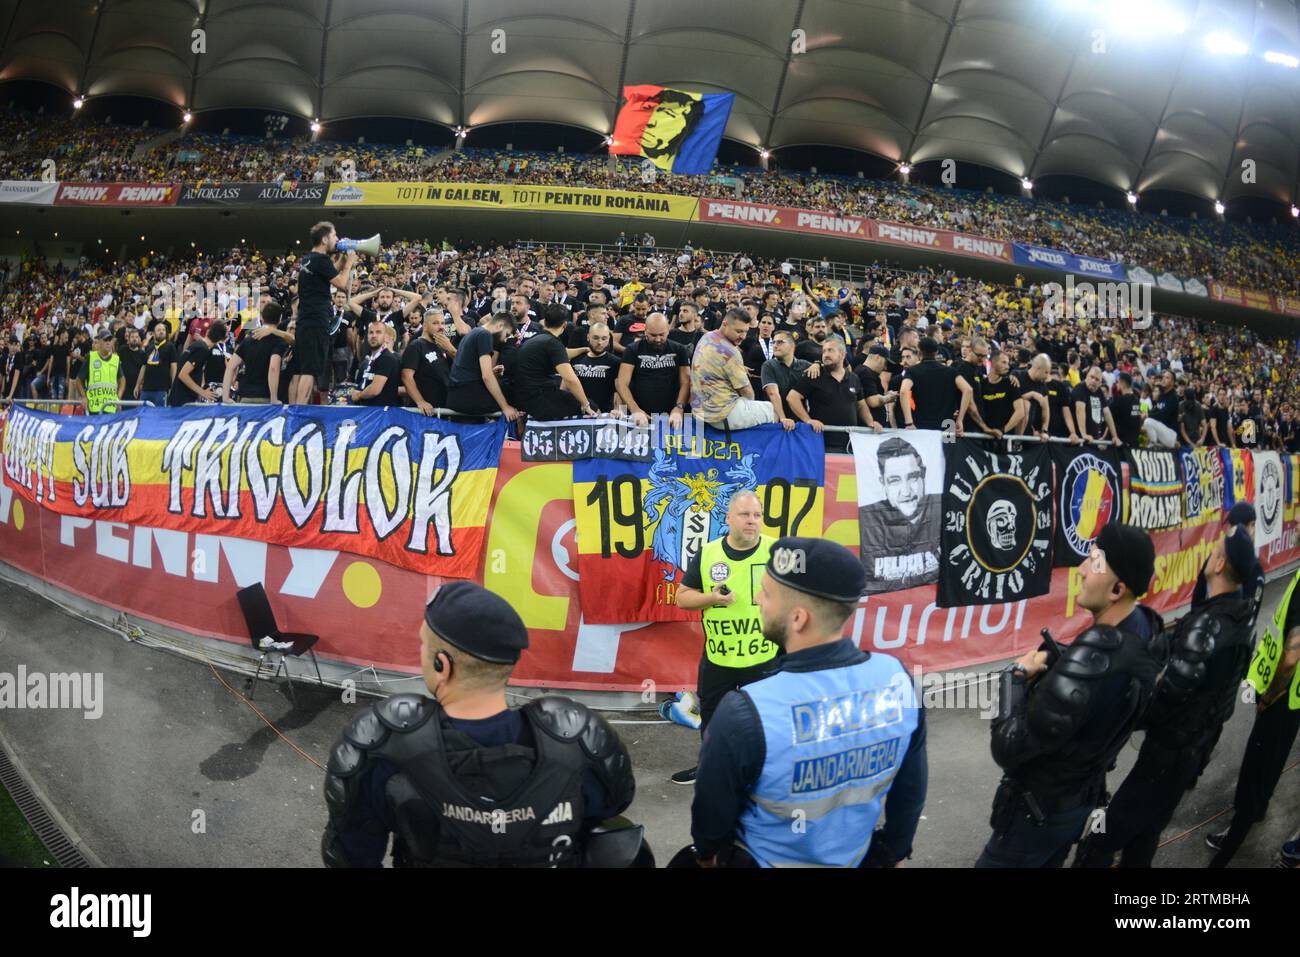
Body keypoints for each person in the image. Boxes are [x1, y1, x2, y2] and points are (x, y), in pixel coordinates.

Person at [321, 581, 647, 868]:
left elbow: (351, 854)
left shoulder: (384, 752)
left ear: (442, 665)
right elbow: (611, 808)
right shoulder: (578, 746)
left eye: (424, 645)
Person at [684, 536, 927, 867]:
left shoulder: (746, 712)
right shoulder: (898, 680)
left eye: (766, 593)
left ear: (798, 618)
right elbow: (910, 790)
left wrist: (706, 856)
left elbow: (711, 819)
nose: (757, 598)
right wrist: (895, 852)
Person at [977, 524, 1163, 868]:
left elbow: (1008, 747)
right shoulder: (1144, 632)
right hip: (1078, 803)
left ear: (1117, 589)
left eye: (1093, 562)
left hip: (1036, 817)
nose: (1080, 569)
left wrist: (1013, 677)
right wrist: (1064, 659)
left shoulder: (1090, 665)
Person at [1073, 525, 1257, 867]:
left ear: (1218, 564)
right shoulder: (1243, 619)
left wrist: (1121, 715)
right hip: (1194, 751)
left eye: (1214, 550)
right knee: (1146, 833)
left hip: (1167, 755)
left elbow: (1166, 697)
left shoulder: (1208, 626)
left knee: (1101, 837)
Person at [669, 492, 778, 786]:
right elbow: (682, 598)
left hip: (763, 658)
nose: (752, 521)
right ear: (728, 518)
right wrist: (712, 597)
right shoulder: (708, 553)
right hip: (719, 658)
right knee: (714, 722)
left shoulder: (777, 552)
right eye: (745, 515)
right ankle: (710, 769)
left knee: (763, 723)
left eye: (757, 515)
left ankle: (761, 777)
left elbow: (802, 598)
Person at [1208, 560, 1300, 866]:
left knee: (1256, 771)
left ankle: (1231, 845)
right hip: (1291, 700)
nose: (1296, 520)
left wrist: (1269, 697)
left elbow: (1290, 656)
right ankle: (1254, 810)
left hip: (1281, 700)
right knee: (1268, 766)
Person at [859, 436, 941, 593]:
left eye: (913, 478)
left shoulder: (941, 506)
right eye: (895, 481)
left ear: (923, 475)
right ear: (883, 483)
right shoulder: (869, 516)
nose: (906, 491)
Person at [293, 221, 359, 405]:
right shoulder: (320, 260)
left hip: (306, 321)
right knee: (310, 371)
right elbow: (341, 283)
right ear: (324, 239)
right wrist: (350, 264)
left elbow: (329, 273)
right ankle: (299, 410)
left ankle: (297, 408)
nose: (337, 239)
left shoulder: (310, 259)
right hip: (315, 322)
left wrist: (342, 260)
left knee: (305, 368)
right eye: (334, 236)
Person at [786, 337, 883, 452]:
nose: (825, 354)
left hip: (850, 444)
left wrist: (870, 422)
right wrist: (808, 420)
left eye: (830, 350)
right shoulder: (814, 375)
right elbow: (792, 397)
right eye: (824, 351)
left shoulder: (853, 378)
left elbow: (861, 405)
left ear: (842, 354)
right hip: (821, 443)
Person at [690, 308, 776, 429]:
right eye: (739, 331)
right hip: (721, 416)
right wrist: (750, 407)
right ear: (725, 323)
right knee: (774, 410)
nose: (743, 336)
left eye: (746, 332)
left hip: (699, 410)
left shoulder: (707, 336)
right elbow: (747, 393)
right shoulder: (731, 352)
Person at [514, 304, 597, 420]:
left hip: (522, 398)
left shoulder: (537, 338)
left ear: (545, 322)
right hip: (539, 401)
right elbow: (570, 380)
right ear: (565, 324)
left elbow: (562, 353)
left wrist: (583, 349)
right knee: (592, 406)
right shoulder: (553, 343)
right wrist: (585, 404)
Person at [615, 313, 689, 428]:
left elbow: (686, 382)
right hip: (641, 413)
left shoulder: (680, 349)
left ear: (668, 330)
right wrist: (635, 409)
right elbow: (622, 383)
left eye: (662, 334)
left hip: (671, 413)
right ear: (645, 331)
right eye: (653, 335)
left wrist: (679, 407)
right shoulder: (632, 349)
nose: (658, 339)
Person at [445, 312, 517, 419]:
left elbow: (469, 368)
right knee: (514, 405)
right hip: (469, 397)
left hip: (458, 396)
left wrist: (492, 371)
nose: (505, 340)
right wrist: (505, 407)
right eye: (506, 335)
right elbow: (487, 377)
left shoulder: (474, 332)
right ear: (500, 325)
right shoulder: (485, 335)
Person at [222, 302, 287, 404]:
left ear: (261, 317)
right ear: (280, 318)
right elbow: (273, 368)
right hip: (266, 399)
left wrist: (225, 397)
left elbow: (231, 366)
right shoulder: (279, 341)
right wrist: (274, 398)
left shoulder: (249, 339)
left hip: (245, 398)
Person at [899, 337, 967, 432]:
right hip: (948, 426)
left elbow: (903, 391)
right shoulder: (950, 371)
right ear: (936, 352)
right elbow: (968, 390)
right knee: (948, 446)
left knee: (925, 447)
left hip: (922, 426)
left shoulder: (912, 371)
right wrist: (960, 420)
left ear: (919, 352)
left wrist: (909, 422)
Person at [400, 306, 457, 415]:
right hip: (424, 411)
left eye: (443, 323)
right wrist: (420, 401)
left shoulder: (443, 346)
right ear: (425, 325)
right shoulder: (416, 346)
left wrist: (451, 349)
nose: (441, 327)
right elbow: (406, 376)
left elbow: (460, 366)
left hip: (443, 409)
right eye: (435, 323)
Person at [167, 320, 226, 406]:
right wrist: (202, 392)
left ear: (208, 332)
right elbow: (183, 374)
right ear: (220, 340)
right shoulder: (202, 349)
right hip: (183, 401)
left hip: (177, 398)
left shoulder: (196, 345)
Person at [347, 321, 402, 407]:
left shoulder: (387, 358)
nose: (374, 335)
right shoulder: (370, 360)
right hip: (370, 411)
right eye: (371, 332)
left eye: (378, 332)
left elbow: (375, 390)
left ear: (386, 337)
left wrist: (358, 395)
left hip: (381, 414)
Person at [1072, 365, 1121, 445]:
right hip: (1080, 440)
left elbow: (1107, 413)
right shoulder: (1080, 388)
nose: (1093, 381)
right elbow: (1080, 411)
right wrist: (1084, 434)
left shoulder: (1099, 392)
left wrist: (1114, 436)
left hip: (1093, 440)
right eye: (1092, 377)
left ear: (1100, 383)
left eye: (1097, 379)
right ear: (1087, 376)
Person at [81, 329, 125, 415]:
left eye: (110, 340)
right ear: (100, 342)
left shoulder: (116, 359)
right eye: (105, 340)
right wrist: (83, 397)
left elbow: (122, 380)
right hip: (93, 408)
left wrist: (118, 397)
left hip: (111, 407)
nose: (108, 343)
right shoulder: (91, 357)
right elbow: (79, 380)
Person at [137, 320, 177, 407]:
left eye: (163, 330)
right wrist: (137, 385)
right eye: (158, 330)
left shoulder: (170, 346)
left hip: (161, 389)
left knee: (159, 416)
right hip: (146, 389)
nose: (161, 331)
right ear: (154, 334)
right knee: (143, 415)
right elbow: (144, 366)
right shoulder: (149, 346)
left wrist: (174, 386)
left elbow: (173, 367)